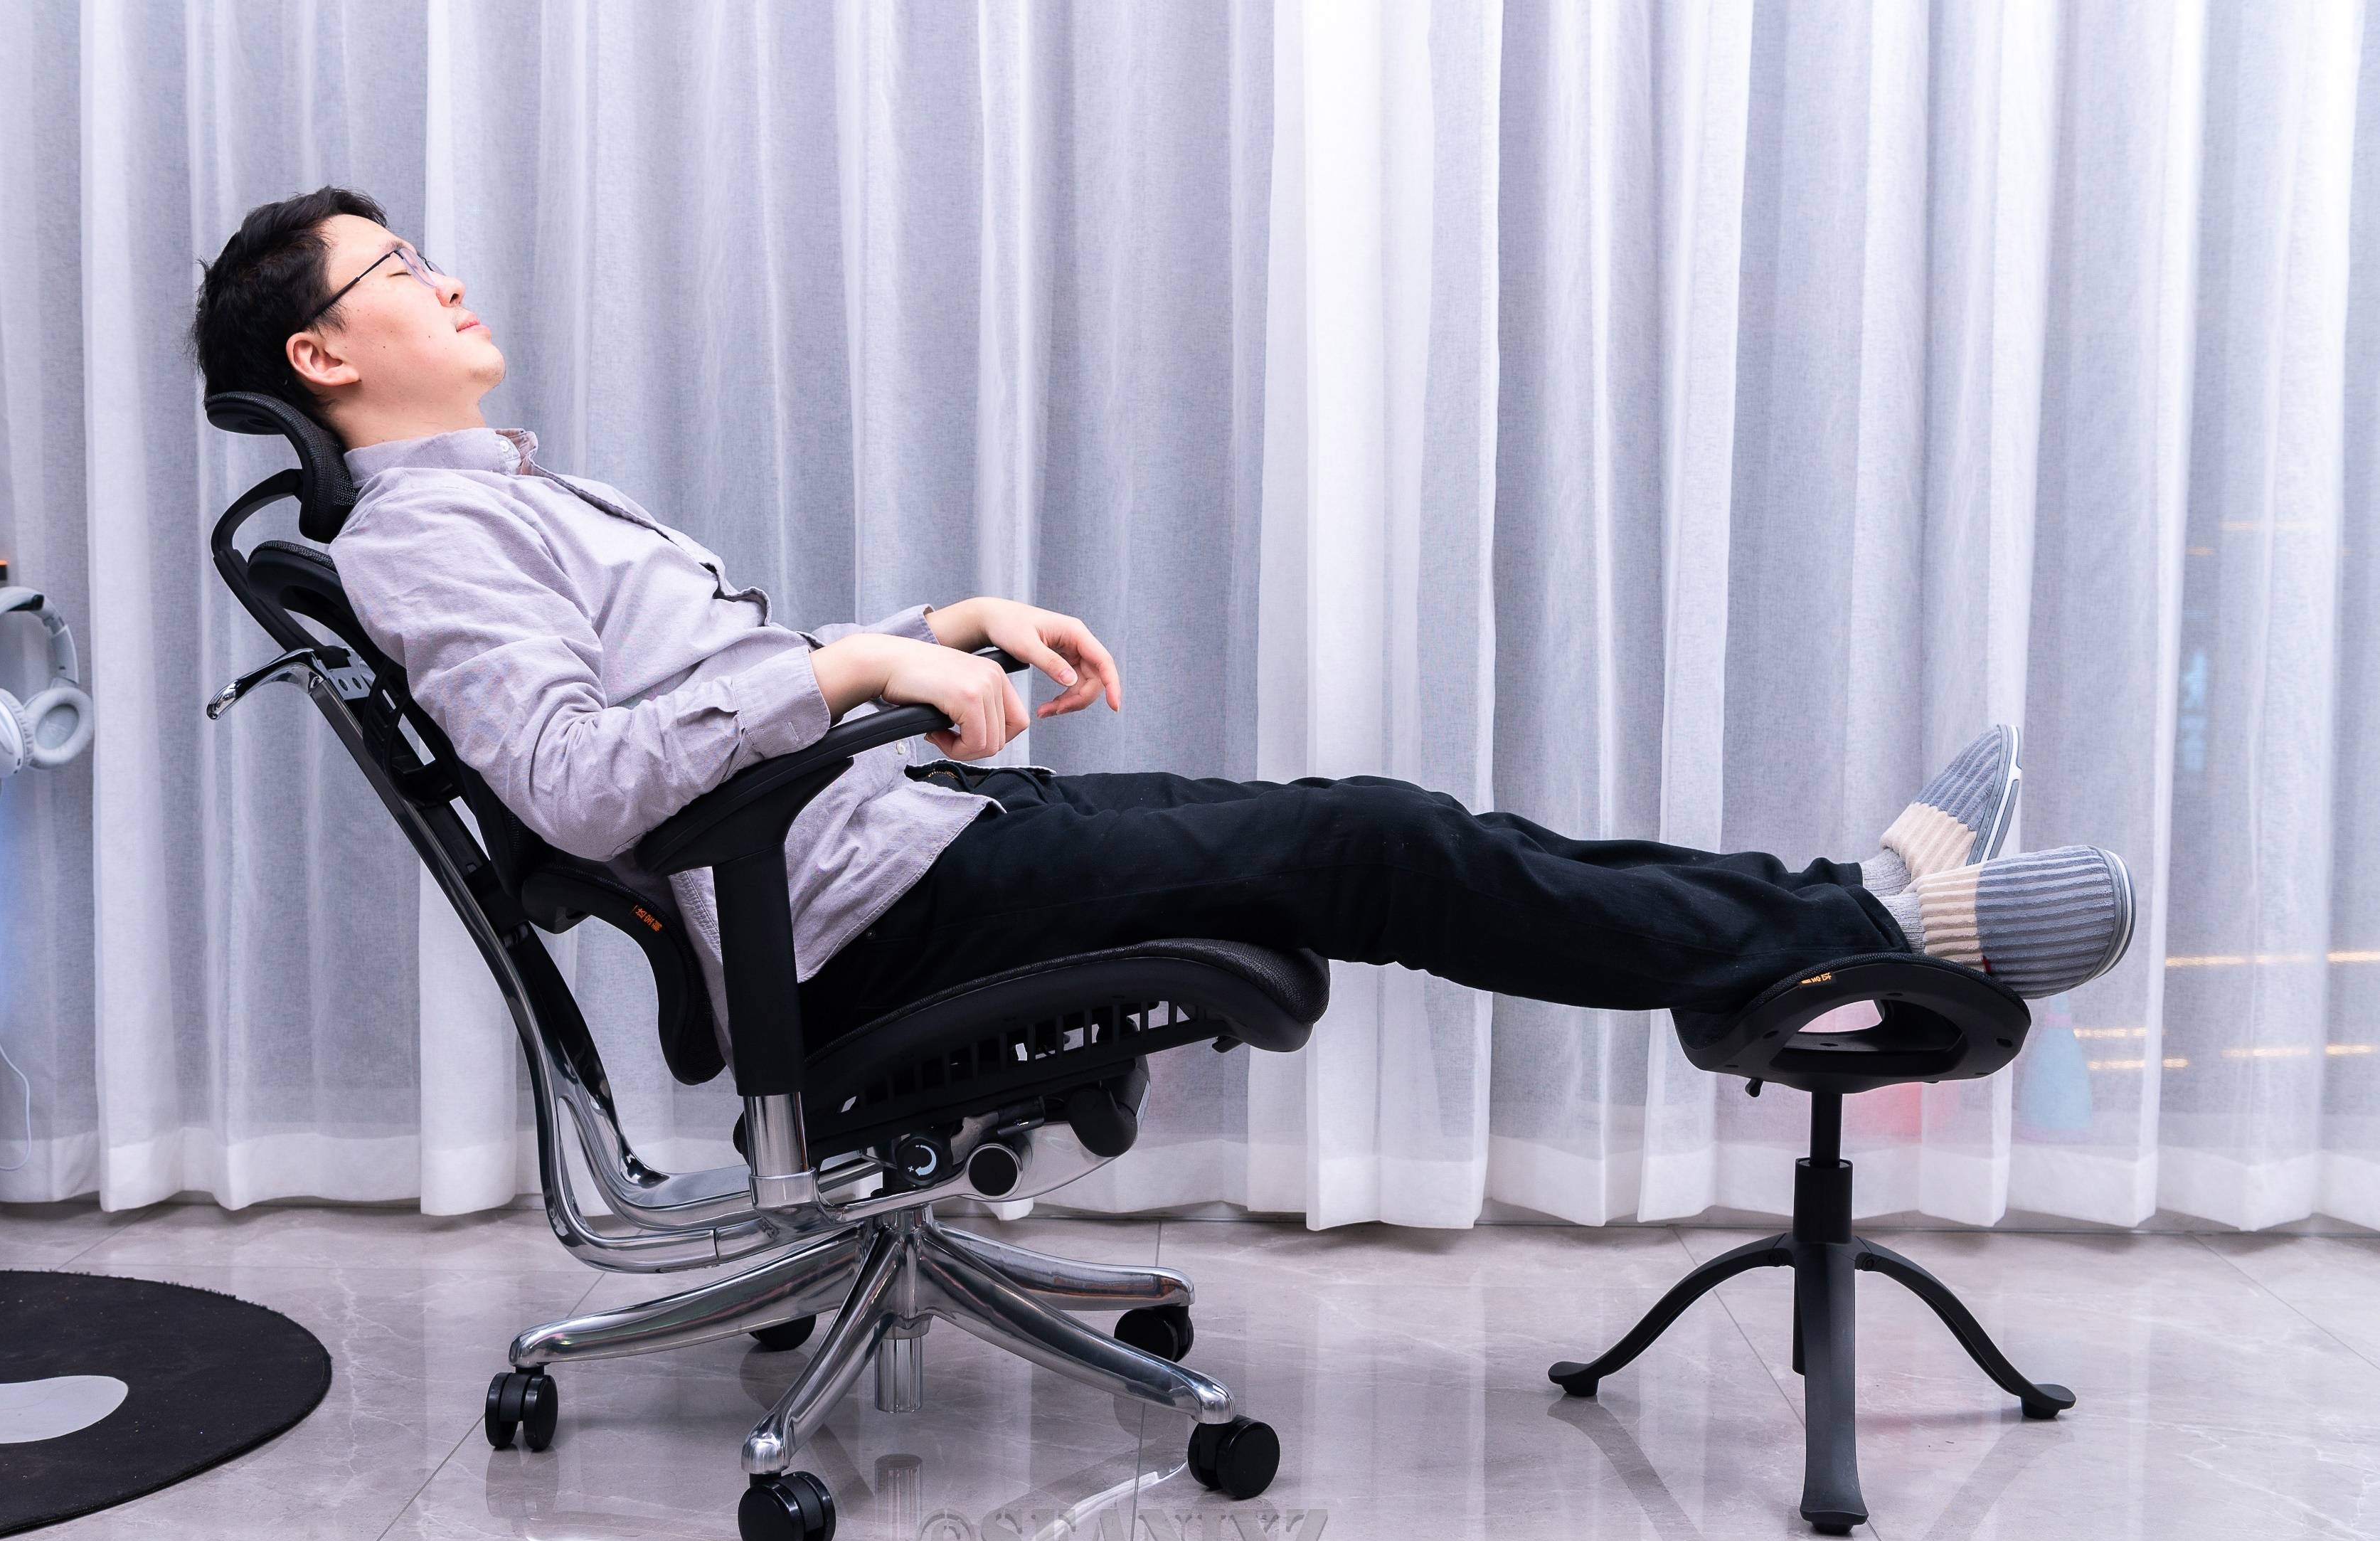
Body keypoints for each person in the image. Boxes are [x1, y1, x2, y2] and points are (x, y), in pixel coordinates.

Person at [189, 187, 2135, 1063]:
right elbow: (575, 779)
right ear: (323, 354)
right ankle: (1863, 928)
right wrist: (853, 667)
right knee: (1373, 840)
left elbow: (689, 693)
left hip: (903, 843)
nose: (448, 282)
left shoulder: (509, 492)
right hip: (859, 916)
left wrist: (933, 620)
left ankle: (1816, 920)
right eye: (400, 270)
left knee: (1396, 827)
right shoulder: (424, 539)